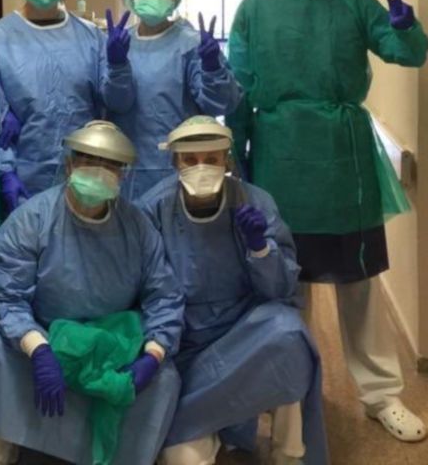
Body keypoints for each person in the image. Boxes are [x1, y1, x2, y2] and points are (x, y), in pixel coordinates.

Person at [226, 0, 428, 442]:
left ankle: (381, 394)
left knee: (358, 283)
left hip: (343, 160)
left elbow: (405, 53)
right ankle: (287, 388)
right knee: (284, 285)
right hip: (277, 158)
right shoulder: (251, 9)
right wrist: (237, 165)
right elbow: (240, 90)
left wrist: (405, 28)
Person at [0, 120, 185, 465]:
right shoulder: (32, 220)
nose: (98, 171)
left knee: (165, 377)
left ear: (123, 174)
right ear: (68, 165)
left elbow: (164, 295)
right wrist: (38, 350)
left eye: (110, 164)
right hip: (48, 335)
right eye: (87, 160)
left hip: (110, 344)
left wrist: (153, 354)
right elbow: (7, 298)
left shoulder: (137, 227)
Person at [139, 117, 328, 465]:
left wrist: (260, 250)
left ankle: (290, 454)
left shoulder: (254, 202)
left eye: (211, 159)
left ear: (228, 160)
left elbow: (281, 289)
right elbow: (146, 291)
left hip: (245, 331)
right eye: (190, 160)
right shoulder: (153, 210)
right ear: (174, 162)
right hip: (186, 344)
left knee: (288, 336)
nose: (201, 169)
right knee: (181, 458)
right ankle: (208, 427)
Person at [0, 0, 136, 212]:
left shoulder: (89, 36)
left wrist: (118, 65)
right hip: (26, 170)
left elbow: (117, 104)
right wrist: (6, 171)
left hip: (87, 167)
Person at [110, 0, 243, 200]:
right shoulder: (118, 43)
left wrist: (213, 68)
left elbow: (220, 105)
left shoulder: (190, 44)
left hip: (183, 163)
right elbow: (114, 103)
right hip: (128, 167)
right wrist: (116, 65)